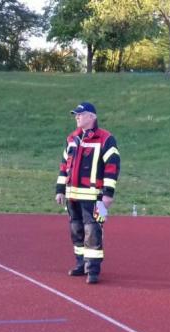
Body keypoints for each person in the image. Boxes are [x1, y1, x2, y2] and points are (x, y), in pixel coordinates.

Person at [55, 102, 121, 284]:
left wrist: (108, 194)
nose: (77, 117)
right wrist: (60, 189)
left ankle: (93, 269)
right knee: (76, 230)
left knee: (93, 231)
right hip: (72, 196)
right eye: (76, 114)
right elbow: (63, 166)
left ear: (92, 117)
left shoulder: (106, 139)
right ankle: (81, 264)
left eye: (80, 114)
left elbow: (112, 166)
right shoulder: (71, 138)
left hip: (95, 197)